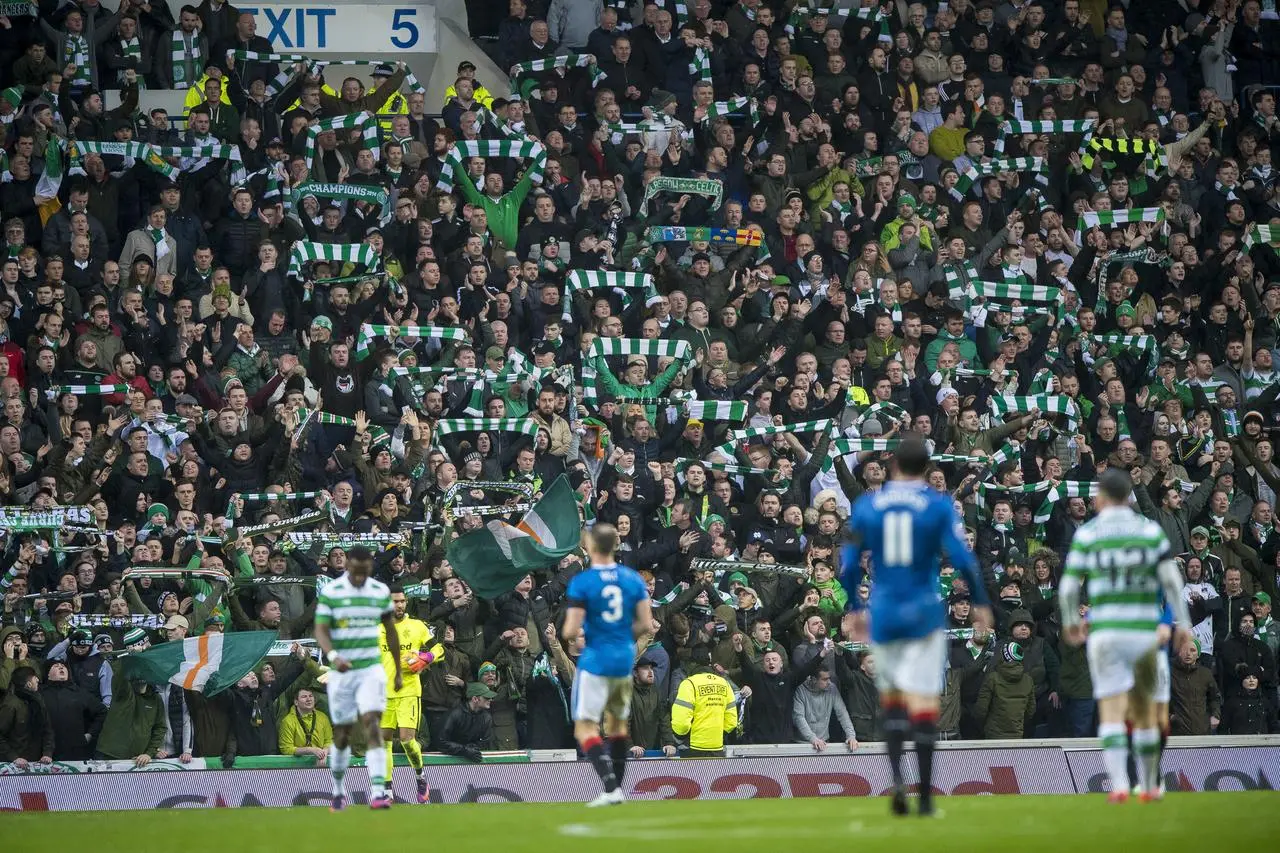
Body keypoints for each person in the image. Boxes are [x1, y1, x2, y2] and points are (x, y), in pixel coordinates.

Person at [843, 435, 990, 817]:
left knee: (892, 701)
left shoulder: (869, 504)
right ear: (927, 468)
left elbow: (848, 564)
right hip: (924, 613)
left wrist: (857, 607)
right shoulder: (937, 505)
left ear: (891, 464)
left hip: (886, 611)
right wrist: (980, 602)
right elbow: (962, 558)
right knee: (924, 704)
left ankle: (896, 786)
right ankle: (925, 797)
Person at [1059, 469, 1193, 803]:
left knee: (1111, 708)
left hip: (1106, 633)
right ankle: (1148, 785)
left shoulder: (1089, 532)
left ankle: (1119, 784)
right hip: (1143, 632)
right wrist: (1184, 624)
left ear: (1102, 497)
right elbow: (1172, 582)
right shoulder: (1149, 530)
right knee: (1146, 710)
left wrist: (1069, 620)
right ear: (1130, 496)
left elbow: (1068, 585)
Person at [561, 523, 650, 807]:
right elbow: (646, 624)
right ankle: (618, 790)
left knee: (586, 727)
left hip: (595, 660)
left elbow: (570, 630)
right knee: (618, 727)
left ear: (590, 546)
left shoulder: (583, 582)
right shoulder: (632, 579)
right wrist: (623, 638)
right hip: (623, 659)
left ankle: (610, 787)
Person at [314, 546, 401, 811]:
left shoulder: (380, 592)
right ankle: (338, 790)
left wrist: (397, 669)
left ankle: (378, 792)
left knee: (372, 723)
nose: (362, 576)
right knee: (343, 735)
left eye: (366, 571)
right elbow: (320, 630)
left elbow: (390, 630)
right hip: (342, 672)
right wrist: (333, 656)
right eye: (357, 570)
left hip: (370, 669)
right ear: (348, 565)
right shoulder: (332, 592)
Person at [378, 583, 443, 804]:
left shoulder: (417, 626)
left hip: (408, 690)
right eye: (394, 601)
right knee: (383, 742)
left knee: (406, 740)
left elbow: (439, 648)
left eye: (402, 601)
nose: (399, 605)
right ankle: (387, 791)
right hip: (383, 692)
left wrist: (426, 658)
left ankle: (420, 776)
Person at [669, 644, 739, 755]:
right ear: (710, 663)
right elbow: (731, 721)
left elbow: (681, 722)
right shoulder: (724, 683)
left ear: (691, 663)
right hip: (717, 747)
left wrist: (678, 739)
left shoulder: (689, 683)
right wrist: (717, 734)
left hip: (692, 748)